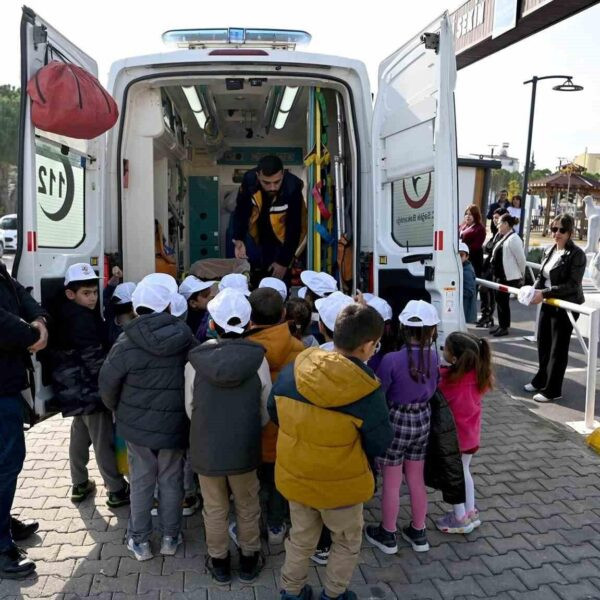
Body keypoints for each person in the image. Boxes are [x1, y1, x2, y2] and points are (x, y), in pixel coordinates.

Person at [270, 304, 393, 600]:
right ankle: (334, 594)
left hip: (297, 476)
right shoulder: (366, 391)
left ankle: (291, 592)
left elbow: (273, 412)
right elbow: (380, 442)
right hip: (342, 487)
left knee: (300, 538)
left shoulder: (294, 371)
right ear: (367, 346)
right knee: (346, 541)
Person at [99, 274, 196, 561]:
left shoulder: (126, 340)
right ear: (168, 307)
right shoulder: (186, 337)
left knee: (141, 480)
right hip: (175, 424)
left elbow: (107, 384)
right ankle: (170, 536)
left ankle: (139, 541)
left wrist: (117, 409)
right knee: (171, 479)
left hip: (136, 427)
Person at [185, 288, 271, 584]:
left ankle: (219, 561)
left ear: (211, 324)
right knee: (248, 505)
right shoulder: (258, 361)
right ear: (249, 325)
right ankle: (249, 558)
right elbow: (266, 407)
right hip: (245, 448)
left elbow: (190, 408)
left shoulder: (194, 363)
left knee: (214, 507)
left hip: (206, 449)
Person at [50, 263, 130, 507]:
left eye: (94, 292)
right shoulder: (82, 319)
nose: (92, 297)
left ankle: (79, 482)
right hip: (89, 390)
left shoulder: (64, 313)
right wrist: (112, 386)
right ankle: (115, 489)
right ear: (70, 294)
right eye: (86, 293)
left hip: (70, 389)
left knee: (79, 434)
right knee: (102, 439)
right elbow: (94, 361)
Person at [366, 300, 440, 555]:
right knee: (416, 478)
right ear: (432, 330)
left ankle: (388, 534)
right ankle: (419, 532)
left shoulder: (391, 360)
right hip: (422, 419)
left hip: (396, 420)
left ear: (402, 328)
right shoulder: (434, 356)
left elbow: (381, 394)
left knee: (392, 481)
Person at [243, 287, 305, 546]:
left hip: (250, 434)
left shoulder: (242, 349)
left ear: (249, 316)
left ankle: (248, 527)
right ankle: (277, 525)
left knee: (249, 486)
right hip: (285, 433)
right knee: (278, 482)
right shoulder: (299, 349)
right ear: (283, 314)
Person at [0, 259, 48, 579]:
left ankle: (2, 523)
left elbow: (19, 291)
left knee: (8, 460)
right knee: (6, 461)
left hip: (6, 380)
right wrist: (31, 333)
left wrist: (39, 319)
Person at [525, 213, 586, 403]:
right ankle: (541, 379)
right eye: (554, 229)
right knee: (543, 343)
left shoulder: (577, 255)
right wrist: (531, 290)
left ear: (569, 232)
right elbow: (542, 276)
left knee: (557, 349)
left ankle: (553, 389)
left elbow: (572, 285)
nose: (556, 233)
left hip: (566, 306)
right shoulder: (550, 250)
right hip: (548, 303)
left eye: (561, 230)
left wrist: (545, 293)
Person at [436, 332, 493, 534]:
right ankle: (470, 511)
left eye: (445, 349)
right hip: (471, 436)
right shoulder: (479, 375)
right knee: (465, 472)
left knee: (454, 477)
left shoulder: (447, 379)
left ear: (453, 358)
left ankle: (459, 517)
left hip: (453, 438)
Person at [232, 155, 304, 284]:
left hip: (281, 239)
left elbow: (294, 228)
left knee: (279, 278)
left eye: (277, 182)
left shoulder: (293, 187)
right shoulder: (249, 180)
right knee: (252, 274)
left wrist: (283, 262)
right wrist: (239, 239)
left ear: (282, 174)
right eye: (266, 182)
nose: (272, 187)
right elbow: (241, 211)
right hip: (256, 234)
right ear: (258, 175)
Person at [489, 214, 526, 337]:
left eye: (499, 223)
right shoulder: (503, 237)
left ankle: (504, 327)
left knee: (503, 301)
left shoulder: (514, 239)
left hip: (507, 276)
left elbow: (521, 259)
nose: (497, 225)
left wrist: (522, 274)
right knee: (500, 301)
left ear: (506, 224)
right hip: (499, 275)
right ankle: (502, 325)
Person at [477, 208, 508, 328]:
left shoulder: (505, 235)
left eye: (497, 218)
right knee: (486, 291)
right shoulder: (495, 233)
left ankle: (488, 316)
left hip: (496, 269)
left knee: (486, 290)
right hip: (488, 267)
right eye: (494, 218)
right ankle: (487, 316)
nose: (495, 220)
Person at [179, 276, 216, 342]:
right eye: (205, 295)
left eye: (210, 293)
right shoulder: (184, 324)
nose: (211, 297)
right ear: (193, 303)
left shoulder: (211, 314)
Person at [459, 205, 486, 276]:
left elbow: (476, 246)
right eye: (466, 214)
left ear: (476, 215)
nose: (468, 216)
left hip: (472, 260)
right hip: (461, 258)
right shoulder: (463, 225)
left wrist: (463, 252)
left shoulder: (480, 228)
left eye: (470, 214)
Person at [459, 242, 477, 324]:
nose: (459, 257)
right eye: (457, 255)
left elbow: (469, 291)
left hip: (466, 307)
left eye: (461, 255)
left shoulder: (467, 270)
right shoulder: (462, 267)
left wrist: (456, 293)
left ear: (467, 256)